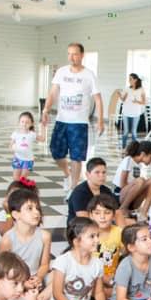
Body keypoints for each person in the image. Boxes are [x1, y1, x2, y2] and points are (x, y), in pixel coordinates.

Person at [41, 43, 105, 193]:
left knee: (76, 157)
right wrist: (45, 110)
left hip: (79, 122)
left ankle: (73, 188)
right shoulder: (61, 72)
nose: (71, 57)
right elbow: (53, 94)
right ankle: (66, 174)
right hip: (62, 120)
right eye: (69, 54)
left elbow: (98, 99)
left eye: (75, 54)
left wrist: (100, 121)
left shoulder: (89, 75)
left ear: (82, 55)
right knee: (56, 151)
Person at [46, 217, 114, 300]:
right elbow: (57, 293)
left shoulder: (97, 263)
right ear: (77, 241)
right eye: (92, 236)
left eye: (97, 235)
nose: (97, 240)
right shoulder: (63, 261)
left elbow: (98, 292)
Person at [0, 188, 52, 300]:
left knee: (58, 277)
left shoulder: (45, 236)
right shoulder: (8, 239)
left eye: (37, 208)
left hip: (35, 278)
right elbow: (1, 269)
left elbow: (44, 265)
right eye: (30, 209)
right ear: (16, 214)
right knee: (6, 285)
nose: (36, 213)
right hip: (15, 279)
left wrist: (38, 277)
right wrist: (23, 283)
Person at [67, 158, 122, 227]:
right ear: (87, 174)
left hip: (102, 222)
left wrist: (122, 231)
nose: (101, 176)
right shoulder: (80, 192)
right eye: (97, 172)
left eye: (104, 172)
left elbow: (117, 212)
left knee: (130, 223)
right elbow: (83, 218)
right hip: (80, 228)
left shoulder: (106, 190)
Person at [113, 140, 151, 220]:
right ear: (143, 154)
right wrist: (139, 186)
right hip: (119, 194)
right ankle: (123, 208)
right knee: (141, 180)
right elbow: (122, 184)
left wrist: (140, 189)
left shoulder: (139, 165)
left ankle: (144, 212)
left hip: (131, 197)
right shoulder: (128, 160)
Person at [10, 111, 42, 181]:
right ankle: (16, 191)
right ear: (19, 122)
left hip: (28, 160)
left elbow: (42, 139)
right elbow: (11, 145)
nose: (24, 124)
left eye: (27, 122)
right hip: (17, 159)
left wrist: (42, 127)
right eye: (22, 121)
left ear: (31, 124)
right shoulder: (15, 134)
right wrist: (13, 148)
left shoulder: (32, 134)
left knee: (22, 178)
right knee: (16, 178)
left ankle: (22, 190)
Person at [120, 73, 146, 149]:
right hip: (126, 112)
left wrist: (136, 101)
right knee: (126, 131)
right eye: (129, 79)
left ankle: (135, 149)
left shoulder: (141, 89)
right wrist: (119, 95)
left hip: (135, 113)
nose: (129, 81)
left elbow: (144, 102)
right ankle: (123, 148)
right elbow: (123, 99)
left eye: (131, 79)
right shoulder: (127, 89)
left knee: (134, 132)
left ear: (135, 80)